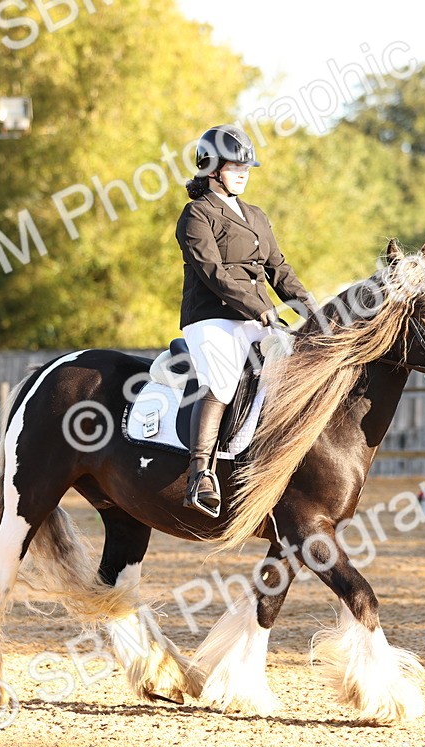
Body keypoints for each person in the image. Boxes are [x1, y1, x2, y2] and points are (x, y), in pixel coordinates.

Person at [175, 124, 318, 516]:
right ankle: (200, 475)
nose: (243, 173)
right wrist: (260, 309)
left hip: (258, 318)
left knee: (291, 373)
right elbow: (213, 272)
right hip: (212, 318)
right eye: (235, 166)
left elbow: (279, 268)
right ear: (211, 167)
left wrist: (311, 310)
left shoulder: (256, 215)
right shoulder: (196, 214)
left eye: (247, 167)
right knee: (222, 381)